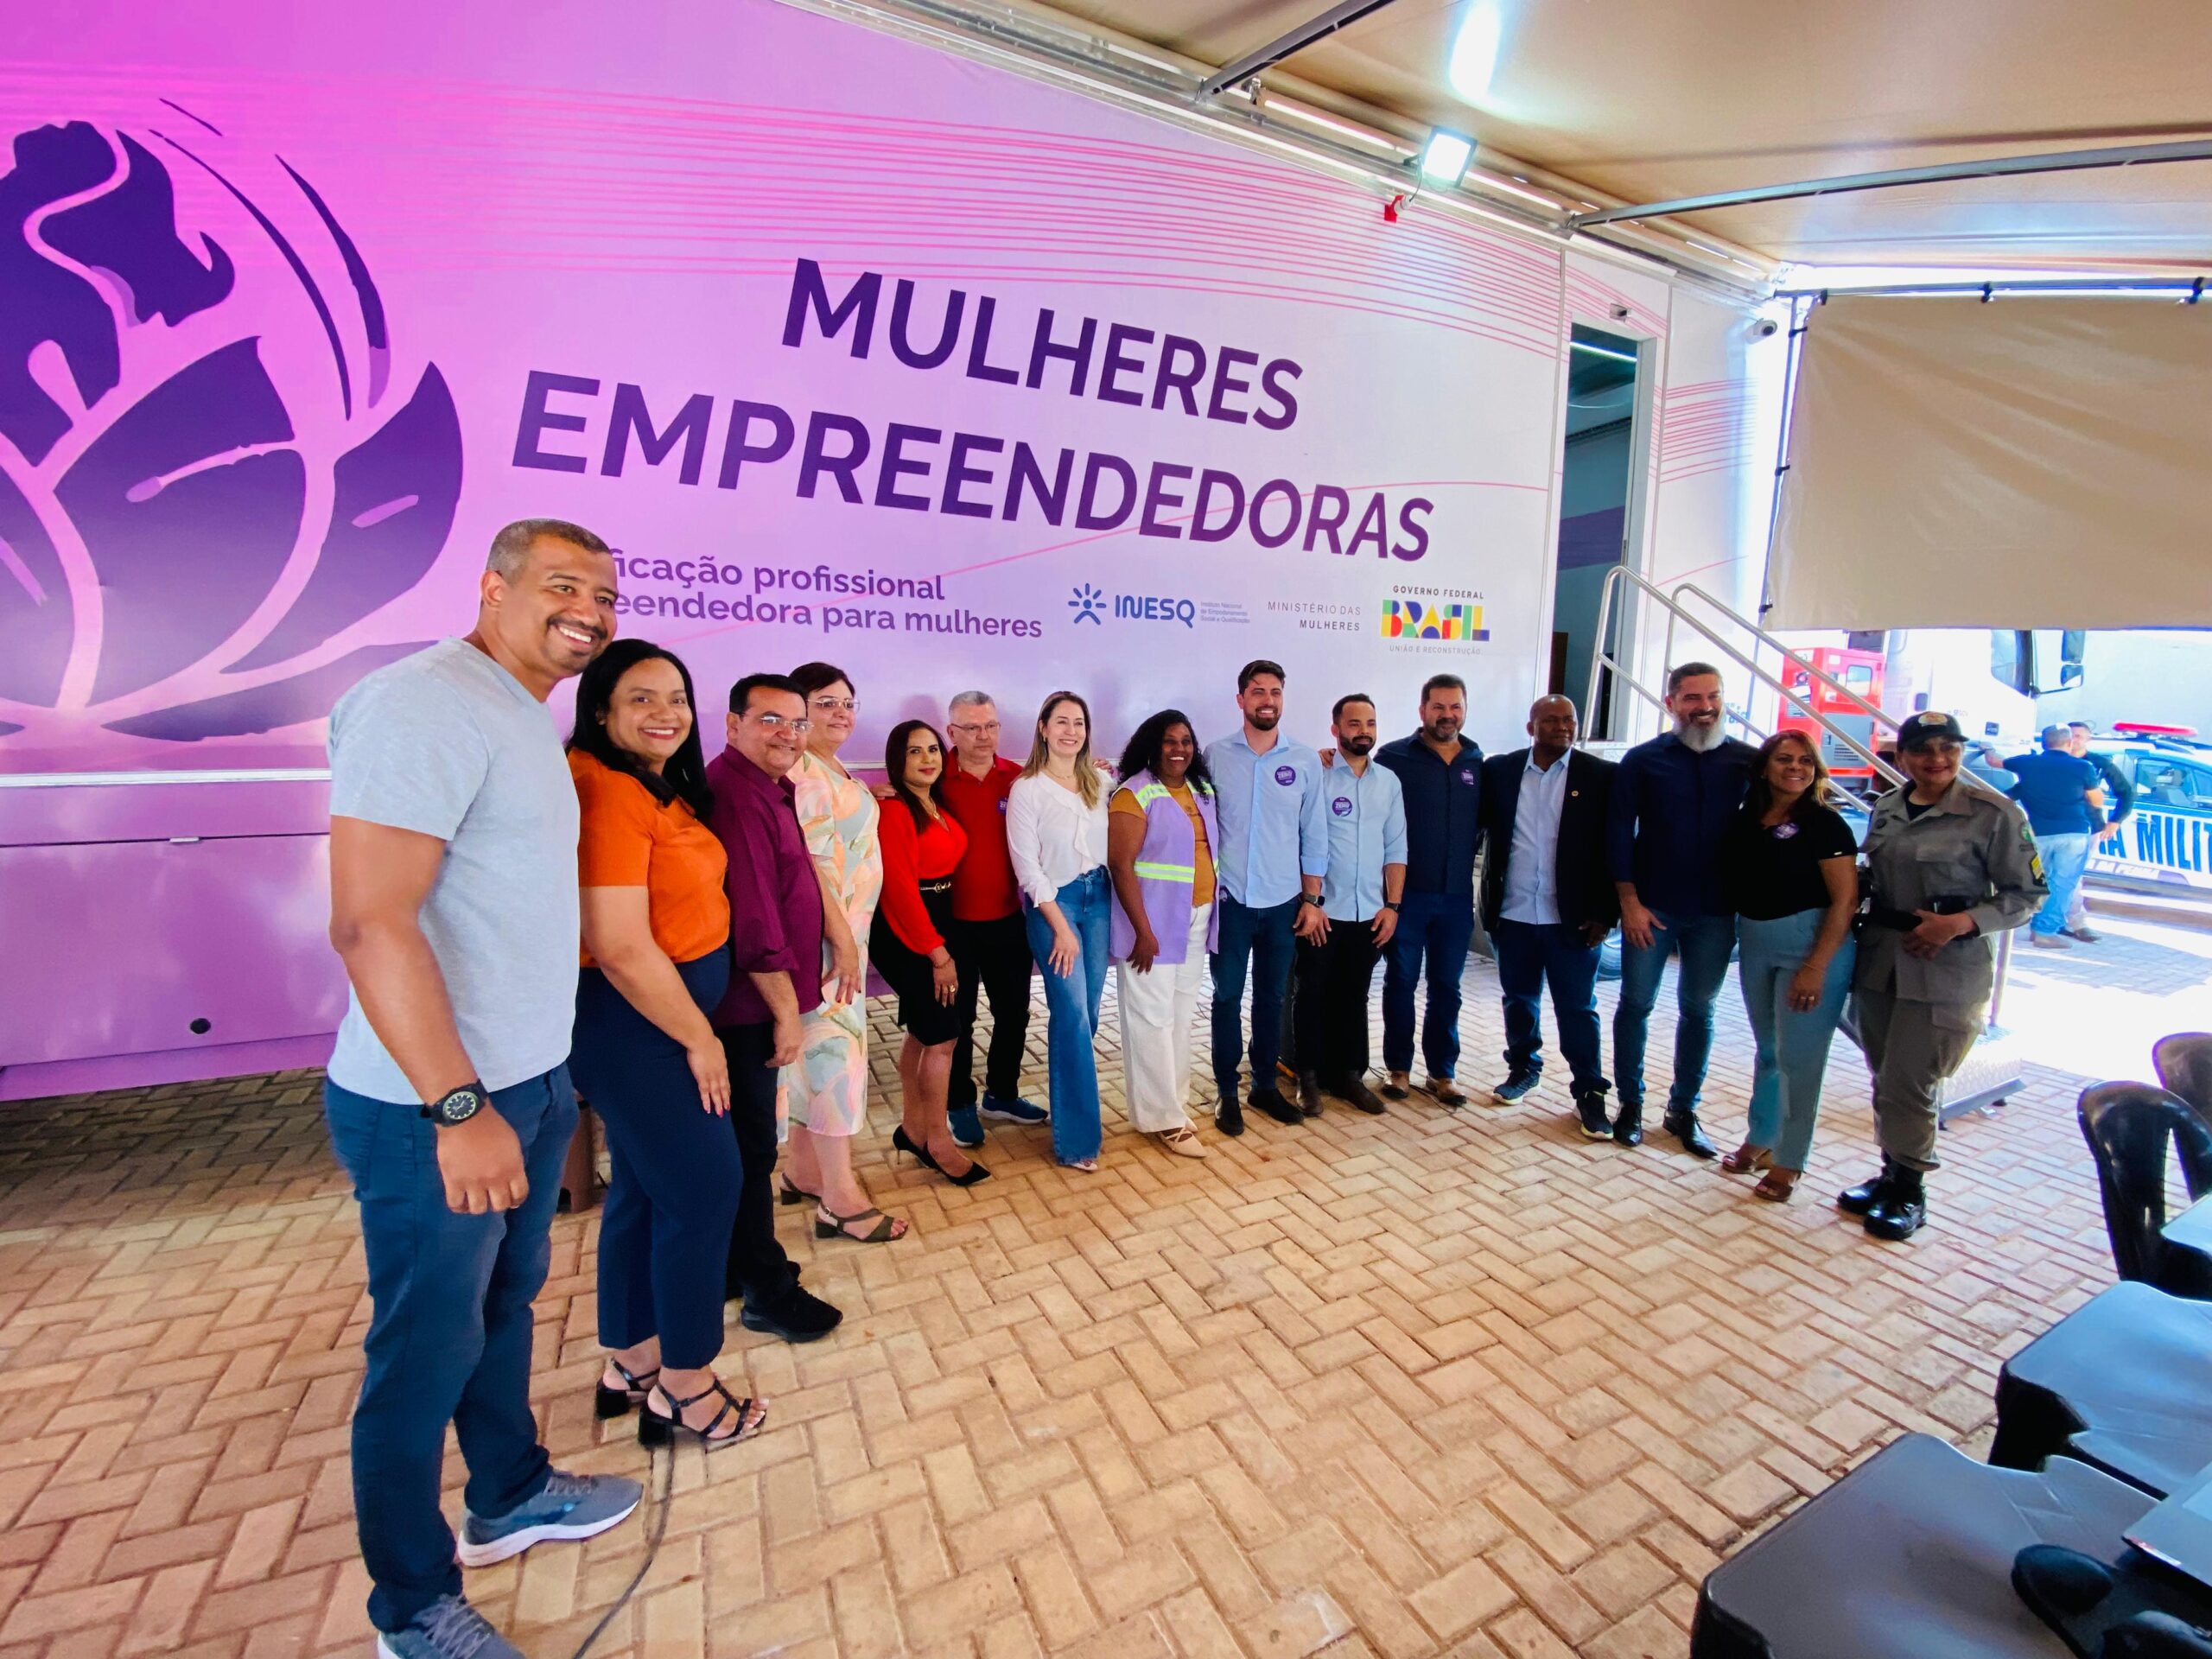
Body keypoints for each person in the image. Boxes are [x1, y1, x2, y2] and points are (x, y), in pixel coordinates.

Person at [323, 518, 639, 1659]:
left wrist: (536, 1088)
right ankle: (411, 1606)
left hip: (525, 1084)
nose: (590, 611)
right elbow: (370, 922)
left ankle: (507, 1492)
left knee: (501, 1310)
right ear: (492, 589)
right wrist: (460, 1109)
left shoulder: (517, 709)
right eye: (563, 586)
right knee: (421, 1356)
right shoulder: (424, 704)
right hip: (435, 1109)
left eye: (604, 594)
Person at [567, 640, 769, 1447]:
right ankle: (686, 1386)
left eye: (677, 698)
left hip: (649, 1022)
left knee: (645, 1190)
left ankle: (633, 1359)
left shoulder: (643, 786)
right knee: (706, 1187)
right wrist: (699, 1037)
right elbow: (617, 943)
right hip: (639, 1025)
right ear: (601, 710)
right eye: (642, 699)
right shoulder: (608, 790)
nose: (666, 714)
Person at [1843, 710, 2044, 1240]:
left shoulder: (1994, 813)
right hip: (1882, 961)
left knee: (1913, 1080)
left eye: (1948, 748)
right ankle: (1891, 1172)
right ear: (1903, 756)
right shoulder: (1888, 806)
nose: (1937, 759)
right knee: (1886, 1074)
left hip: (1946, 969)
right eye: (1923, 750)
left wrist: (1959, 924)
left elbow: (2027, 896)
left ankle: (1910, 1189)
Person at [702, 675, 842, 1343]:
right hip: (745, 1009)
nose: (788, 734)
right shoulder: (737, 797)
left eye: (796, 722)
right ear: (733, 724)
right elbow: (754, 919)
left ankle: (736, 1265)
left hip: (752, 1002)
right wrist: (786, 1012)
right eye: (770, 720)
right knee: (751, 1146)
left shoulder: (768, 788)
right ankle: (765, 1289)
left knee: (745, 1144)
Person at [1606, 662, 1759, 1157]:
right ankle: (1630, 1105)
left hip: (1716, 914)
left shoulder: (1748, 762)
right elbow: (1618, 834)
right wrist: (1629, 903)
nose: (1705, 707)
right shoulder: (1643, 761)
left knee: (1699, 1010)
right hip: (1651, 910)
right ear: (1671, 702)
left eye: (1713, 696)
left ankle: (1683, 1110)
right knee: (1636, 1005)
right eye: (1692, 698)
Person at [779, 663, 907, 1243]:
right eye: (826, 703)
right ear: (800, 711)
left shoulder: (827, 768)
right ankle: (839, 1197)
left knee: (816, 1055)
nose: (841, 713)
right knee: (837, 1061)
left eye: (847, 703)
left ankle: (802, 1170)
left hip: (840, 939)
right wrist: (843, 944)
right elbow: (814, 867)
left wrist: (866, 795)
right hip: (829, 945)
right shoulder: (804, 773)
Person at [1716, 731, 1859, 1203]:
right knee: (1769, 1050)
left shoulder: (1826, 824)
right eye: (1784, 759)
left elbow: (1844, 902)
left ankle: (1791, 1159)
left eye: (1804, 761)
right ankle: (1762, 1138)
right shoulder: (1747, 817)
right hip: (1757, 942)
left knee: (1801, 1060)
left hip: (1811, 948)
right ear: (1764, 767)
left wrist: (1816, 966)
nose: (1795, 768)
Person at [1479, 695, 1618, 1138]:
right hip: (1514, 913)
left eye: (1570, 720)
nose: (1563, 727)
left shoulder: (1599, 775)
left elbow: (1614, 848)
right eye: (1552, 720)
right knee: (1519, 999)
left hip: (1573, 919)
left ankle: (1589, 1091)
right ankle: (1523, 1068)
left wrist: (1606, 912)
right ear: (1531, 727)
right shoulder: (1500, 771)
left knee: (1577, 1007)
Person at [1206, 660, 1331, 1133]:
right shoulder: (1215, 756)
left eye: (1275, 692)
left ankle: (1263, 1086)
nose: (1267, 700)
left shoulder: (1304, 760)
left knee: (1272, 997)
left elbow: (1313, 834)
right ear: (1241, 700)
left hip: (1283, 904)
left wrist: (1312, 901)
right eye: (1257, 691)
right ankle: (1226, 1091)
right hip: (1231, 903)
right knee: (1226, 996)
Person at [875, 719, 991, 1187]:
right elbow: (899, 890)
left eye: (932, 750)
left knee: (924, 1034)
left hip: (941, 921)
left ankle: (912, 1129)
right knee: (943, 1037)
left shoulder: (933, 804)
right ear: (896, 760)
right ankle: (938, 1142)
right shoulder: (895, 810)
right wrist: (937, 954)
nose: (927, 759)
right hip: (910, 930)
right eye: (914, 751)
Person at [1107, 710, 1219, 1157]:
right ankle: (1162, 1119)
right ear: (1151, 746)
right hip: (1150, 927)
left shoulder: (1201, 790)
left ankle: (1175, 1103)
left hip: (1195, 918)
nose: (1179, 749)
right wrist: (1142, 931)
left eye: (1186, 741)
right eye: (1170, 741)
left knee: (1180, 1014)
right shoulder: (1133, 793)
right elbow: (1121, 866)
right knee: (1150, 1019)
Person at [938, 691, 1049, 1148]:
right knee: (958, 1020)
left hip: (1007, 919)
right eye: (971, 727)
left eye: (990, 726)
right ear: (951, 732)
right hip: (952, 926)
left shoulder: (1018, 779)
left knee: (1014, 1013)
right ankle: (958, 1103)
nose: (983, 736)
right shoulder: (934, 779)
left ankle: (1001, 1095)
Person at [1009, 691, 1114, 1169]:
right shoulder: (1027, 789)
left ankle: (1066, 1107)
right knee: (1071, 1014)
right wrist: (1061, 929)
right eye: (1062, 722)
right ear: (1043, 728)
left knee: (1087, 1014)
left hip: (1099, 899)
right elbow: (1028, 870)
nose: (1071, 731)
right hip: (1055, 905)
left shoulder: (1101, 782)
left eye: (1079, 723)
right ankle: (1077, 1142)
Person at [1292, 695, 1405, 1117]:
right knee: (1312, 994)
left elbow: (1396, 848)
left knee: (1354, 996)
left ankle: (1349, 1075)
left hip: (1369, 912)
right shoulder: (1317, 775)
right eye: (1354, 723)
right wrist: (1311, 901)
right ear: (1335, 729)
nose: (1364, 731)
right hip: (1323, 911)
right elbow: (1301, 839)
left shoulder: (1388, 782)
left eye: (1370, 723)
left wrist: (1392, 906)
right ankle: (1307, 1077)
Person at [1375, 675, 1484, 1108]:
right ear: (1422, 710)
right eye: (1438, 707)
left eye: (1455, 707)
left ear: (1465, 710)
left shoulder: (1476, 761)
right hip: (1407, 897)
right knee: (1401, 981)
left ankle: (1442, 1072)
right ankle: (1398, 1069)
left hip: (1456, 899)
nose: (1447, 715)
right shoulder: (1394, 757)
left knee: (1447, 987)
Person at [2004, 725, 2103, 951]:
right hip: (2074, 832)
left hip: (2038, 833)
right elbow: (2097, 800)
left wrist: (1987, 749)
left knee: (2038, 880)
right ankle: (2045, 932)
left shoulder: (2026, 763)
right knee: (2062, 884)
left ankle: (2027, 922)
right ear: (2069, 743)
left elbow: (1996, 762)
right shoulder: (2083, 766)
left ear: (2043, 743)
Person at [2064, 720, 2133, 943]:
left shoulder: (2099, 764)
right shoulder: (2051, 760)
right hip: (2052, 826)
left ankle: (2075, 922)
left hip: (2088, 827)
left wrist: (2116, 820)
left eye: (2078, 736)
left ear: (2088, 739)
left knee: (2072, 876)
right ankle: (2051, 920)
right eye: (2070, 735)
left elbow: (2126, 792)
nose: (2073, 740)